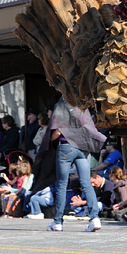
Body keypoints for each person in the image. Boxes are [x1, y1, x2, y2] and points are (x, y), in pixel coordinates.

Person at [46, 97, 106, 232]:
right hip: (83, 148)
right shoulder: (81, 103)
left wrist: (49, 140)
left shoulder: (62, 104)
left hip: (66, 146)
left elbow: (58, 131)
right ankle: (94, 218)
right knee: (86, 182)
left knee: (62, 184)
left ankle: (58, 222)